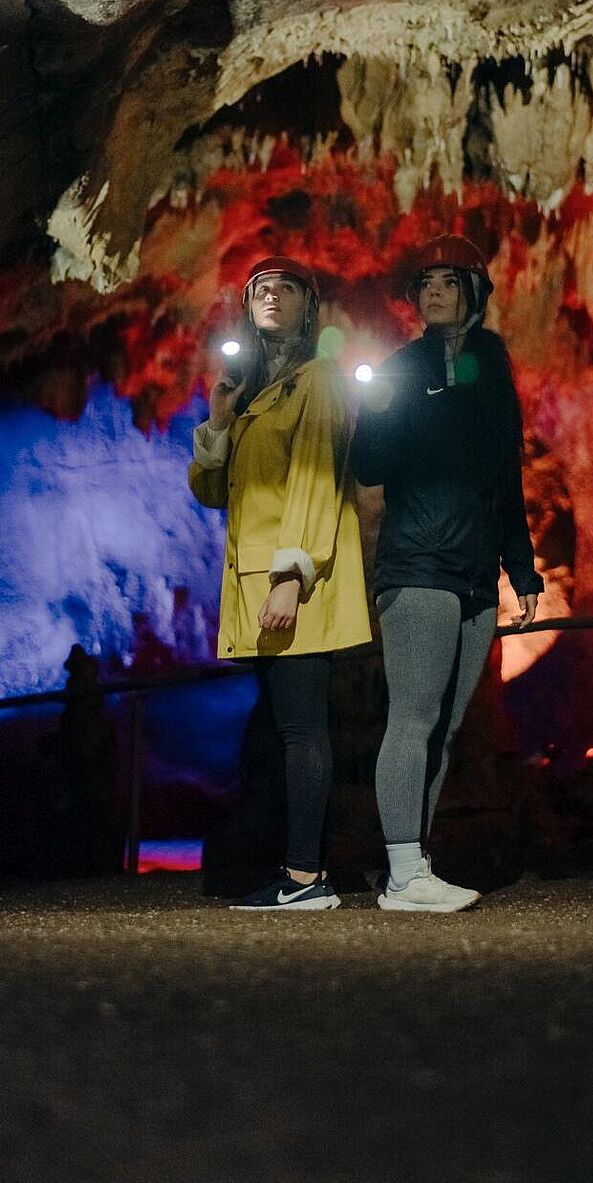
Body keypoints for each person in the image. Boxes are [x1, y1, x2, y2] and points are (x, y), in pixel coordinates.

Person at [352, 235, 542, 912]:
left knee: (446, 727)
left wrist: (521, 570)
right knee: (413, 715)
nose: (432, 290)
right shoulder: (402, 366)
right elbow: (371, 465)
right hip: (419, 562)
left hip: (474, 572)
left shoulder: (490, 363)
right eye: (424, 281)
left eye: (446, 280)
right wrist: (373, 409)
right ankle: (404, 872)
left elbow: (505, 474)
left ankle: (414, 864)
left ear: (472, 290)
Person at [190, 257, 370, 910]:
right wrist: (217, 419)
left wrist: (292, 576)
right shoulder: (254, 396)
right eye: (260, 289)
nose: (270, 297)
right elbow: (214, 489)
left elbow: (316, 478)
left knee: (301, 729)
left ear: (307, 305)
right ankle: (292, 870)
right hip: (255, 590)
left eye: (284, 288)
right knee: (277, 732)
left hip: (294, 585)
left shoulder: (317, 379)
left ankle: (305, 878)